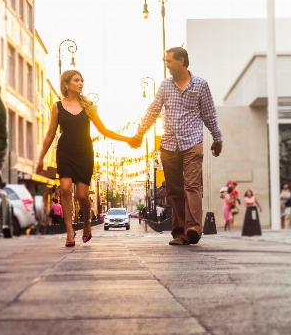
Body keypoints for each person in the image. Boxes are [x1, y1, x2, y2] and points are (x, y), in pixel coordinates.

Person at [129, 47, 222, 246]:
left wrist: (217, 138)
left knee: (192, 186)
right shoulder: (165, 85)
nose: (166, 64)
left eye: (169, 60)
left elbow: (209, 114)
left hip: (192, 143)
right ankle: (180, 233)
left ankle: (194, 228)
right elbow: (153, 110)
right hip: (169, 144)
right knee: (174, 191)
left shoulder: (200, 85)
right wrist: (139, 134)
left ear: (181, 61)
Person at [36, 70, 135, 247]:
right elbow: (50, 133)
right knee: (65, 190)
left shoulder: (88, 106)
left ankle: (87, 223)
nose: (81, 83)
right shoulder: (57, 106)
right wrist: (40, 158)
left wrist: (127, 139)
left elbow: (104, 131)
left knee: (82, 195)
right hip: (65, 151)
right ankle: (69, 232)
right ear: (66, 84)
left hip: (84, 152)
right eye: (76, 80)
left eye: (81, 80)